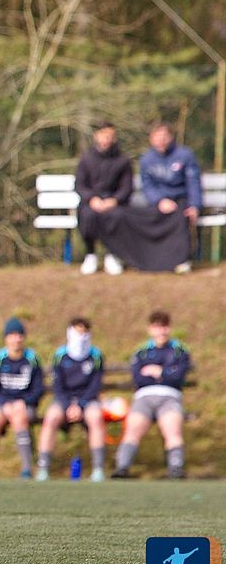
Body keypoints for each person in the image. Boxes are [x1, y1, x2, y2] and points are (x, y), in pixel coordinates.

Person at [112, 310, 191, 479]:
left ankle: (176, 468)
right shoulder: (141, 352)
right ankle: (122, 467)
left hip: (169, 396)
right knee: (133, 428)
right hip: (144, 397)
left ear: (169, 329)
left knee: (172, 429)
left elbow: (178, 377)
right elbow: (139, 379)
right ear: (150, 329)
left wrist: (159, 371)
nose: (161, 331)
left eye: (164, 327)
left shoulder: (179, 351)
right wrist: (166, 374)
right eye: (157, 327)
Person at [35, 318, 107, 482]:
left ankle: (98, 469)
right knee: (51, 417)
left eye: (84, 333)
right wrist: (68, 405)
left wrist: (80, 405)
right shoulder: (60, 356)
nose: (81, 337)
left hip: (87, 401)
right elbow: (57, 386)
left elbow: (95, 386)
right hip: (64, 401)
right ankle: (43, 467)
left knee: (95, 417)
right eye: (77, 332)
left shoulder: (96, 356)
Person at [0, 317, 44, 480]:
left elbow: (38, 389)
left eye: (19, 335)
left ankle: (26, 469)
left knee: (19, 419)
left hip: (25, 405)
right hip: (2, 404)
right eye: (12, 335)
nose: (16, 339)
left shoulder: (32, 359)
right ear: (6, 338)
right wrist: (5, 404)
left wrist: (24, 402)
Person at [139, 123, 201, 273]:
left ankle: (181, 260)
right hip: (158, 202)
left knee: (181, 216)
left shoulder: (185, 155)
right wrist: (159, 201)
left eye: (164, 137)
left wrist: (195, 206)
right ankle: (152, 259)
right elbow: (147, 186)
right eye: (157, 137)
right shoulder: (146, 160)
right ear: (151, 139)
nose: (161, 141)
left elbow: (193, 182)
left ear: (171, 137)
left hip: (181, 199)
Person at [75, 121, 134, 276]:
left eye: (110, 136)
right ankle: (90, 255)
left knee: (117, 216)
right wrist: (92, 199)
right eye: (104, 135)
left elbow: (127, 187)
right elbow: (80, 185)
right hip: (91, 202)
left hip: (114, 202)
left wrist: (114, 200)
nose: (107, 139)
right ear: (96, 136)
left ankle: (112, 255)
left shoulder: (123, 160)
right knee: (87, 215)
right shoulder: (86, 159)